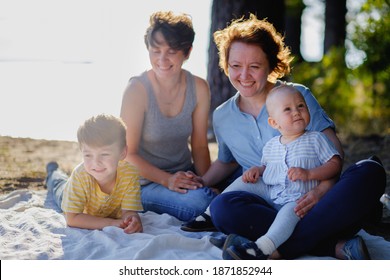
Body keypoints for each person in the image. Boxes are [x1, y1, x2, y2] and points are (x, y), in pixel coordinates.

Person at [182, 14, 386, 260]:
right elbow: (227, 161)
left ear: (271, 65)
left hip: (318, 201)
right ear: (226, 65)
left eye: (254, 66)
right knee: (223, 209)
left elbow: (335, 155)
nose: (244, 75)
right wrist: (200, 183)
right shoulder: (223, 115)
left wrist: (320, 192)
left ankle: (274, 248)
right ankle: (335, 246)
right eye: (235, 65)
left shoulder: (297, 96)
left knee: (369, 172)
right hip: (268, 207)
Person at [225, 84, 343, 259]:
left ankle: (262, 247)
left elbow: (335, 164)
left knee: (289, 213)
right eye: (288, 109)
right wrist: (258, 170)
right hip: (273, 192)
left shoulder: (316, 138)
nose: (296, 112)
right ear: (274, 122)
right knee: (245, 181)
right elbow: (267, 167)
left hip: (299, 198)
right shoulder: (272, 144)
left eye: (301, 106)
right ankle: (209, 213)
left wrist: (310, 174)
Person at [120, 11, 216, 222]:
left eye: (171, 51)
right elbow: (127, 154)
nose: (162, 59)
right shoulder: (137, 89)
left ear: (187, 52)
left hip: (182, 174)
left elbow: (199, 146)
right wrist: (168, 180)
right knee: (202, 204)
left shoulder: (198, 87)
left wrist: (208, 183)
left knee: (222, 195)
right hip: (142, 184)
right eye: (155, 50)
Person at [45, 114, 143, 233]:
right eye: (88, 155)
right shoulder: (80, 175)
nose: (96, 162)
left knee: (65, 181)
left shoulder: (130, 174)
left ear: (122, 153)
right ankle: (52, 171)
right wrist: (111, 223)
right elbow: (72, 218)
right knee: (58, 184)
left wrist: (132, 219)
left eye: (105, 154)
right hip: (68, 195)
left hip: (80, 190)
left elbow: (129, 211)